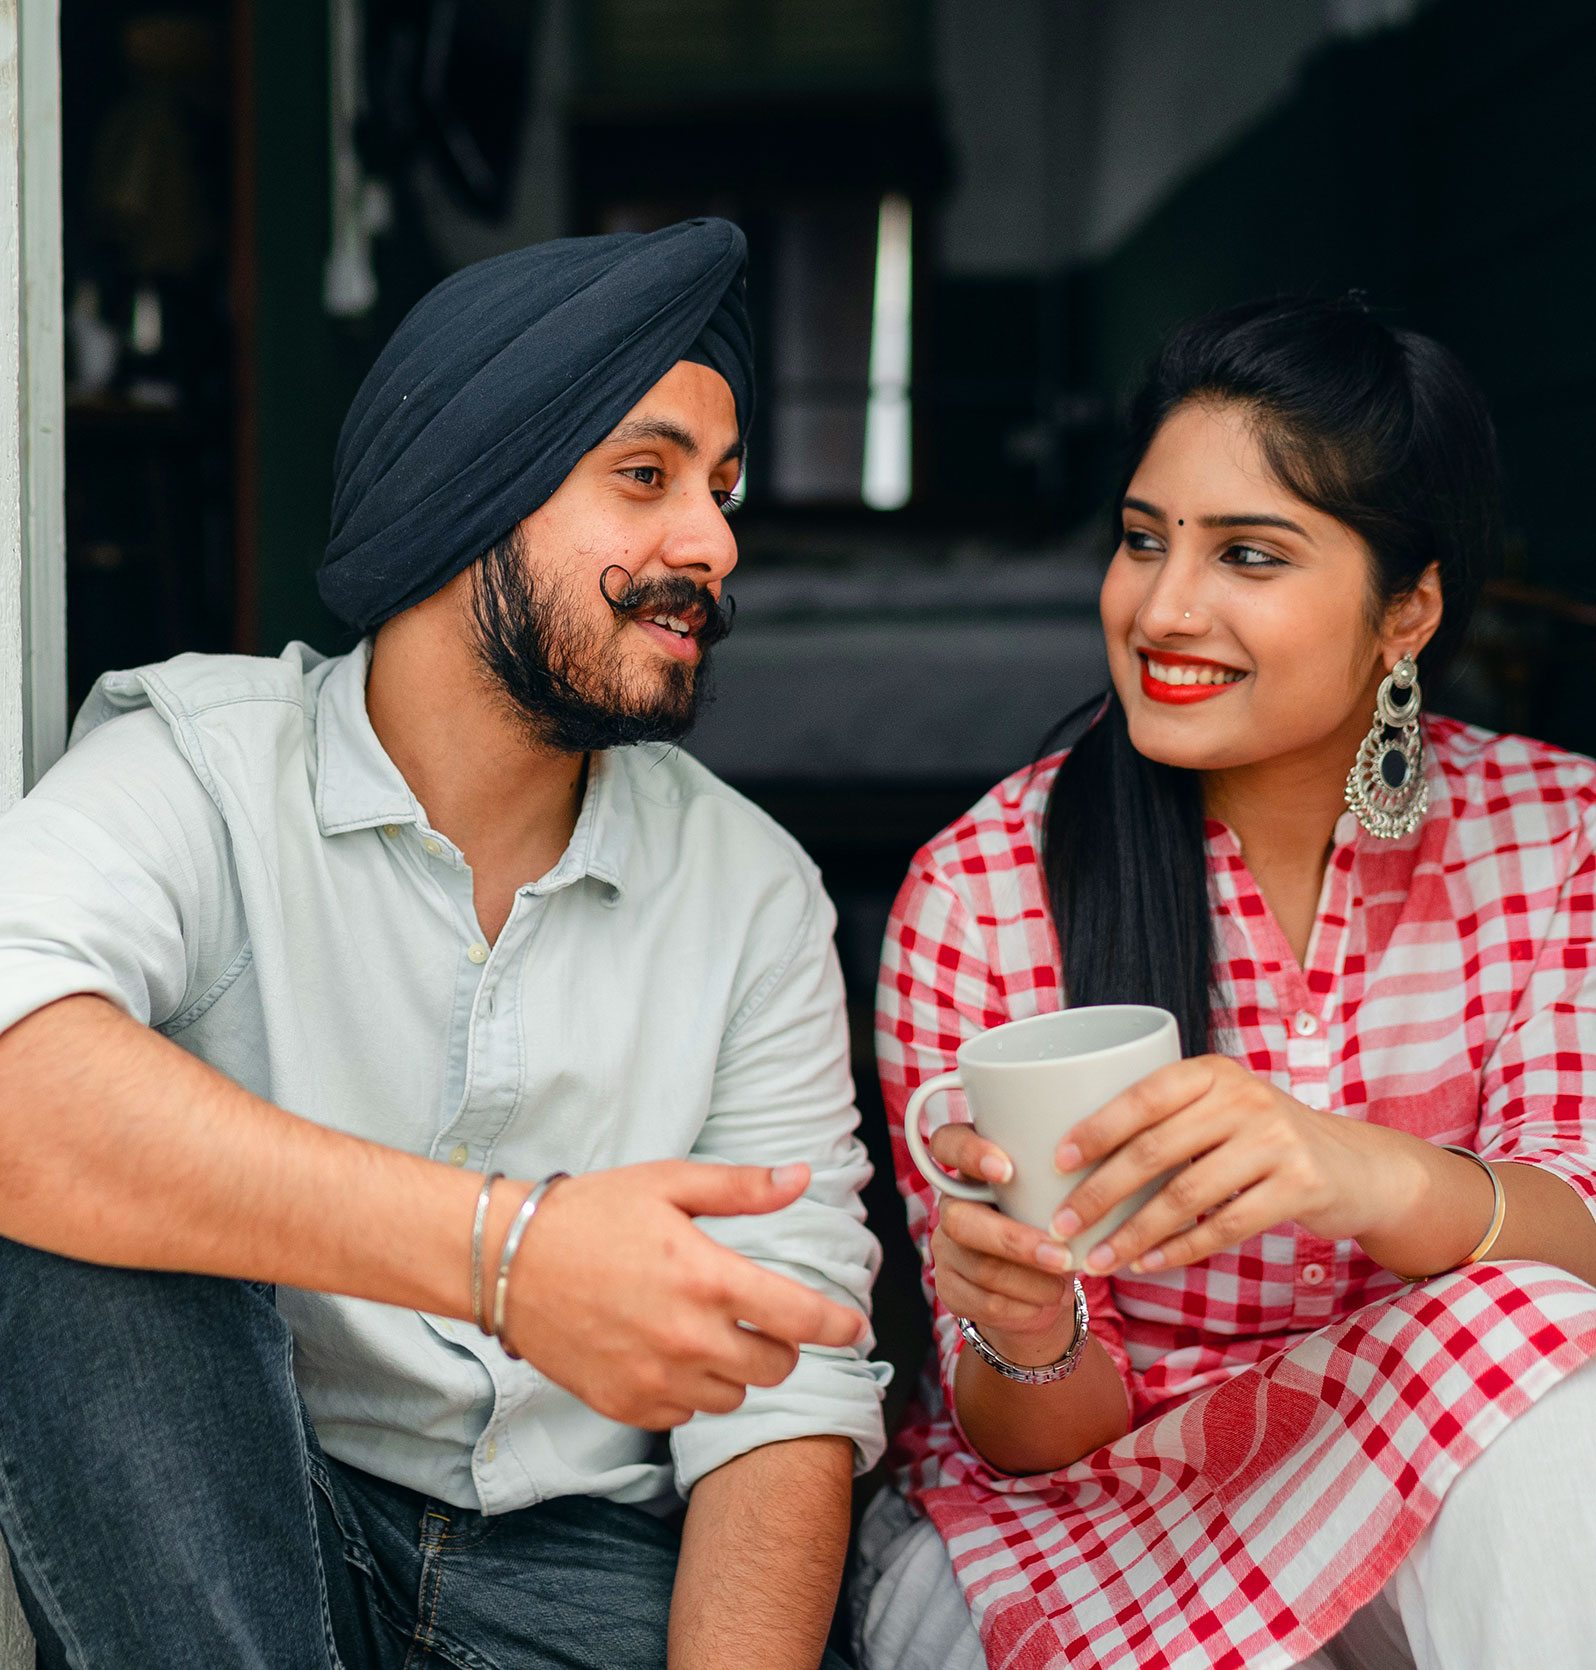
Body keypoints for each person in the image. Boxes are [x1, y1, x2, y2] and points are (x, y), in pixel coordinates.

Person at [0, 218, 887, 1670]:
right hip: (257, 1530)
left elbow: (785, 1395)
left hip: (593, 1567)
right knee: (73, 1213)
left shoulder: (754, 891)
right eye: (646, 476)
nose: (716, 544)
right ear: (470, 484)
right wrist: (506, 1256)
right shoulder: (204, 770)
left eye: (721, 491)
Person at [858, 297, 1596, 1670]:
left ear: (1407, 611)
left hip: (1438, 1460)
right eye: (1144, 540)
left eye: (1250, 553)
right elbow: (1029, 1432)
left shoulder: (1555, 838)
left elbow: (1586, 1231)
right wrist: (1022, 1327)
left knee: (1546, 1355)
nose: (1163, 607)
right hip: (1084, 1517)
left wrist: (1361, 1173)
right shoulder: (983, 893)